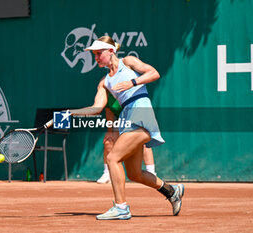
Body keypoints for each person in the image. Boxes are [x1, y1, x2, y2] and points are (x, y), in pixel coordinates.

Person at [70, 36, 184, 220]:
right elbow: (97, 108)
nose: (96, 58)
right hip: (127, 119)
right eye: (94, 55)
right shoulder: (104, 82)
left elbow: (154, 73)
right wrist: (70, 113)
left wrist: (132, 83)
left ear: (111, 51)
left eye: (99, 53)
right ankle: (172, 191)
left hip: (141, 113)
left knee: (113, 158)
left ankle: (121, 208)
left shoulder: (128, 62)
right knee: (135, 173)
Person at [97, 92, 156, 184]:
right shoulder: (107, 94)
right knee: (109, 142)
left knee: (142, 143)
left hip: (135, 119)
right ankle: (107, 173)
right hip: (119, 120)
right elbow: (109, 111)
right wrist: (110, 132)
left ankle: (151, 172)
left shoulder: (129, 92)